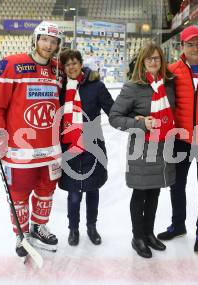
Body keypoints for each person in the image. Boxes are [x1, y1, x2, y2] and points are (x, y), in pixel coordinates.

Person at [0, 21, 64, 257]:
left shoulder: (57, 70)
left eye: (54, 41)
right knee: (18, 193)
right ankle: (22, 234)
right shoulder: (13, 65)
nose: (48, 45)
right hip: (20, 149)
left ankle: (39, 227)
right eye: (45, 39)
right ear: (36, 39)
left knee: (46, 190)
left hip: (50, 149)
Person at [156, 25, 198, 253]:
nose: (195, 48)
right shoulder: (172, 71)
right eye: (190, 44)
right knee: (177, 185)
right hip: (181, 138)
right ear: (182, 46)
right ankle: (178, 225)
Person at [109, 41, 176, 258]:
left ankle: (148, 233)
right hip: (141, 147)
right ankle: (137, 236)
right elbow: (114, 118)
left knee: (155, 191)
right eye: (149, 59)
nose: (153, 62)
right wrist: (140, 123)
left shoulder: (168, 84)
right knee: (140, 192)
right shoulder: (133, 87)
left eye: (157, 58)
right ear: (142, 62)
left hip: (163, 146)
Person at [58, 49, 114, 247]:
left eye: (75, 63)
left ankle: (92, 227)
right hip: (69, 148)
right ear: (63, 68)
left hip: (93, 147)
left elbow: (113, 110)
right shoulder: (61, 89)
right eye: (67, 64)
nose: (71, 67)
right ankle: (73, 229)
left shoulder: (96, 86)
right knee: (73, 194)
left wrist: (133, 117)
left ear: (81, 63)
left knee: (92, 190)